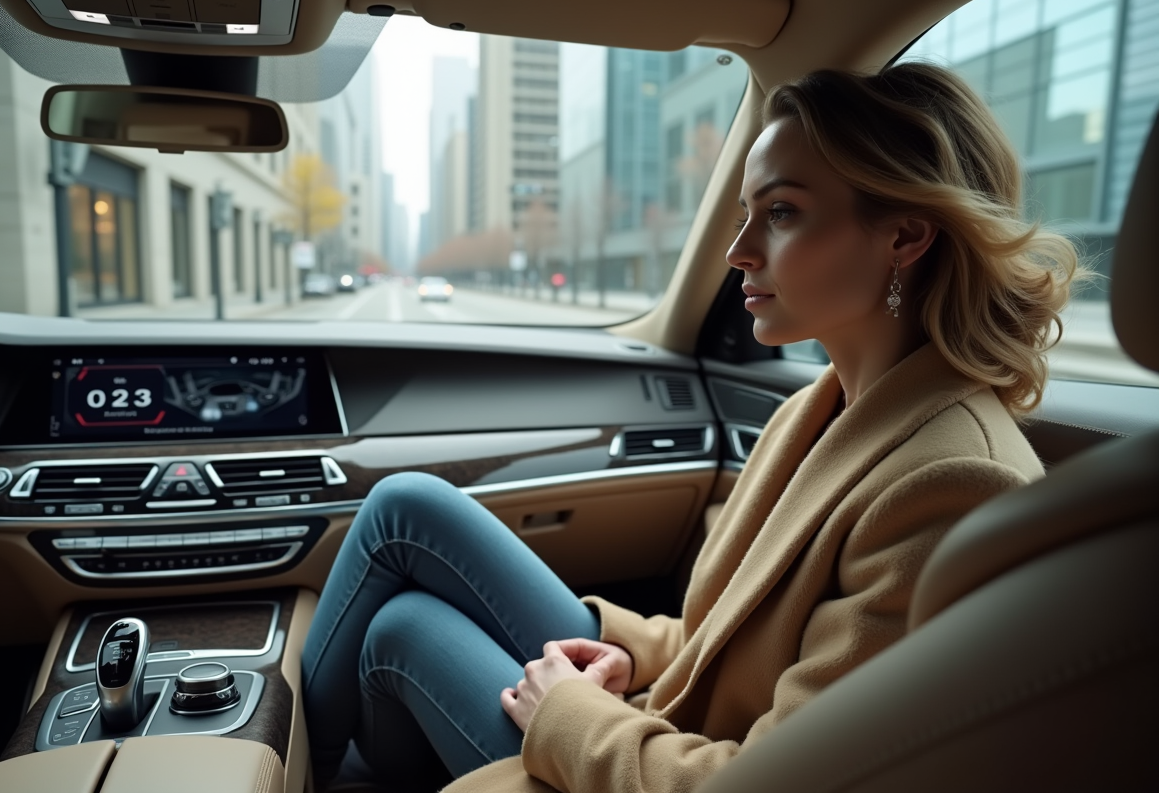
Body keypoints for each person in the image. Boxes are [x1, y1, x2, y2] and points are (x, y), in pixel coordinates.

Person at [300, 62, 1082, 793]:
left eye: (781, 213)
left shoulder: (951, 483)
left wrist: (568, 716)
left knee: (399, 626)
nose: (740, 251)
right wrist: (629, 653)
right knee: (406, 515)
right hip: (665, 721)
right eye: (747, 214)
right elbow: (734, 642)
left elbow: (785, 777)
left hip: (671, 765)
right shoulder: (819, 411)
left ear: (905, 238)